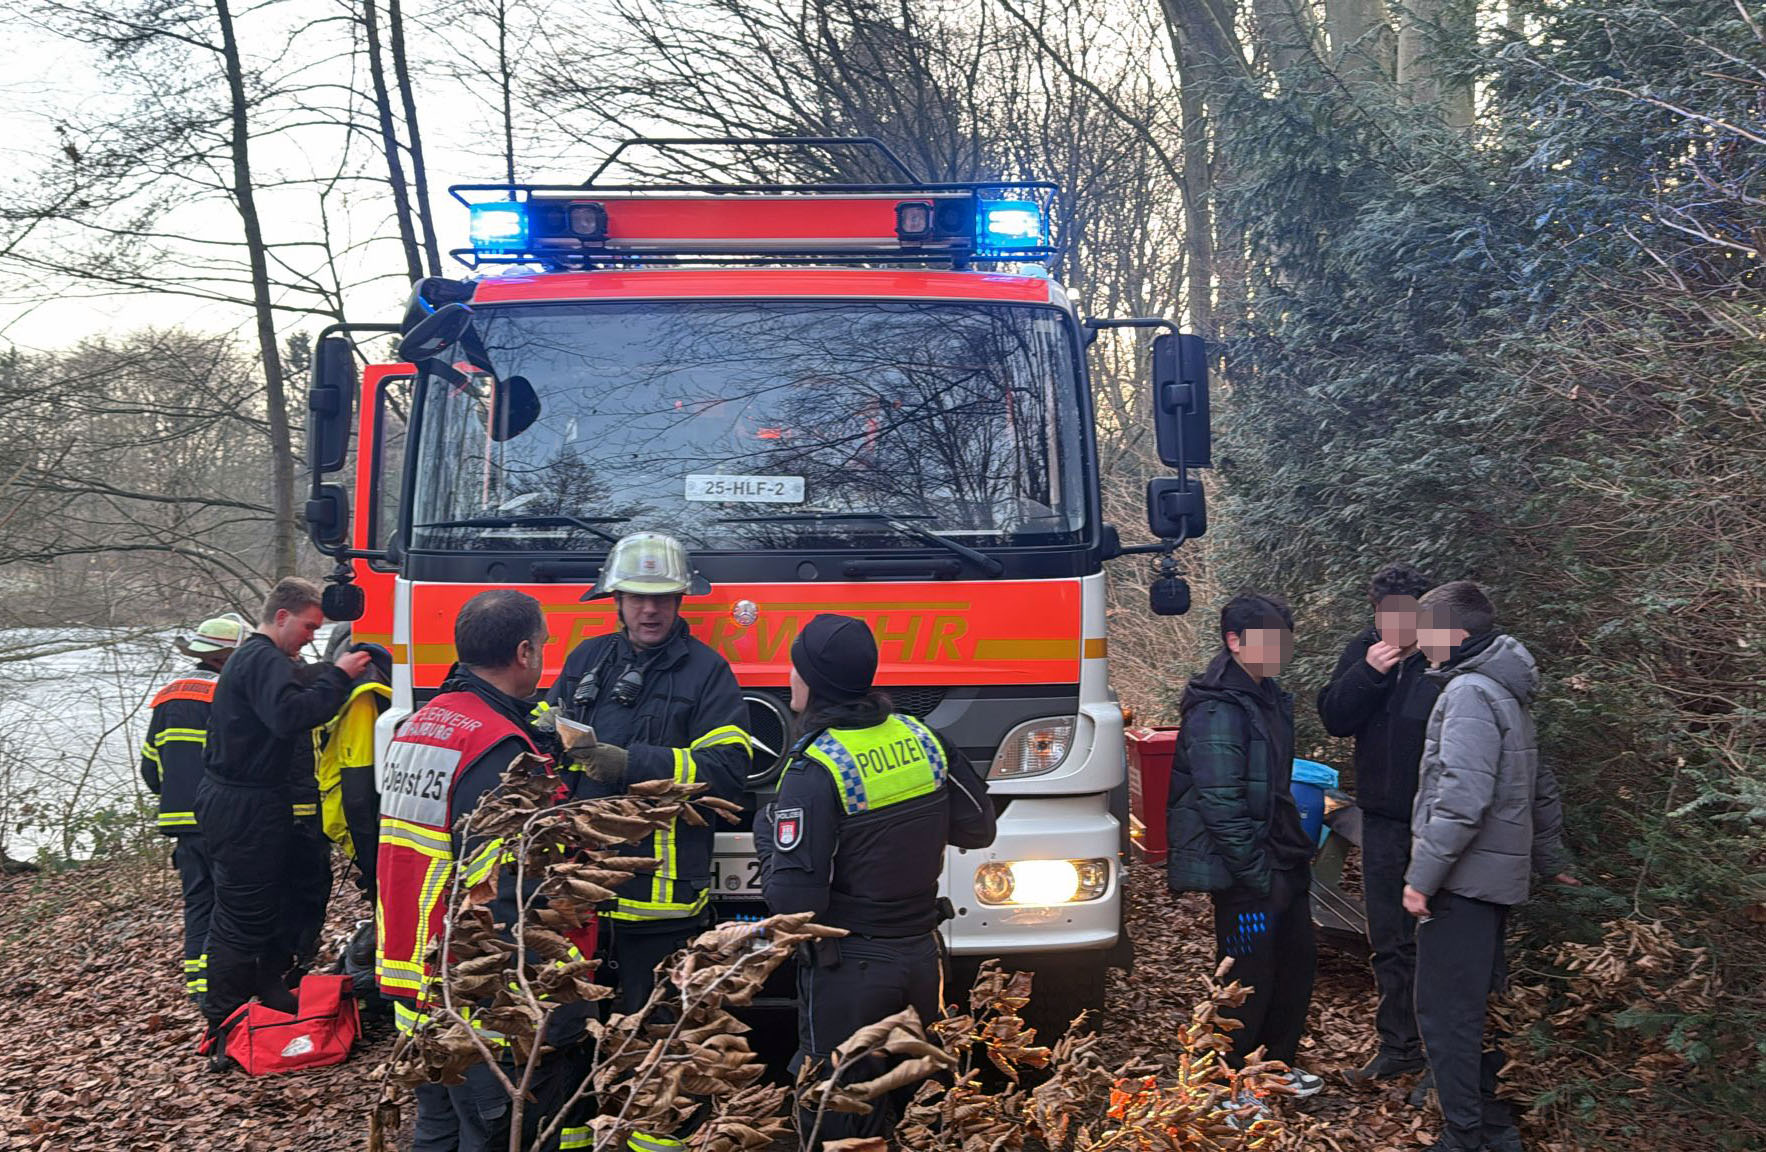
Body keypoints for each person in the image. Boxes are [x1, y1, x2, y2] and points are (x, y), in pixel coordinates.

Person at [755, 613, 996, 1147]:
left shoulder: (815, 768)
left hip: (851, 972)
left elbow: (795, 904)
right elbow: (979, 828)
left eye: (795, 668)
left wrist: (767, 835)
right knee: (921, 1113)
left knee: (841, 1116)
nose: (790, 679)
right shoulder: (923, 738)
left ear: (814, 681)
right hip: (923, 961)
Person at [377, 589, 589, 1151]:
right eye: (543, 645)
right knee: (489, 1131)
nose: (544, 655)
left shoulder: (420, 724)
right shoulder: (497, 746)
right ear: (524, 653)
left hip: (412, 966)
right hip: (473, 985)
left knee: (437, 1128)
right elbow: (508, 885)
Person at [1403, 581, 1578, 1152]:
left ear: (1454, 633)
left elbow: (1462, 798)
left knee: (1446, 1013)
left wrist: (1422, 878)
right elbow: (1539, 781)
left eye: (1425, 630)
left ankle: (1464, 1135)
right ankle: (1494, 1126)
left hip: (1463, 881)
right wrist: (1552, 858)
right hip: (1493, 882)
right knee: (1481, 1005)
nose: (1418, 642)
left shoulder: (1469, 693)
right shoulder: (1505, 690)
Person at [545, 533, 750, 1014]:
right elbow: (547, 741)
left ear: (680, 600)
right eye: (638, 597)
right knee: (568, 1020)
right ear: (616, 599)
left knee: (654, 1030)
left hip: (661, 900)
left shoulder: (707, 672)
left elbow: (728, 769)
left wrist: (630, 764)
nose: (650, 610)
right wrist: (544, 728)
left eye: (662, 598)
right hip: (580, 890)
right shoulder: (586, 659)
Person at [197, 578, 370, 1053]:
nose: (311, 637)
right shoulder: (262, 659)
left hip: (257, 801)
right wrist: (339, 677)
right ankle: (224, 1021)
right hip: (242, 806)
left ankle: (270, 985)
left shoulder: (260, 661)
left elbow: (295, 685)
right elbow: (290, 715)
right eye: (309, 627)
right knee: (242, 915)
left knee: (279, 898)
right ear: (281, 617)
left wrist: (330, 672)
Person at [1165, 593, 1322, 1098]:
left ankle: (1272, 1070)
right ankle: (1227, 1084)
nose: (1280, 650)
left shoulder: (1268, 695)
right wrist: (1255, 873)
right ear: (1234, 641)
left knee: (1295, 964)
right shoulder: (1217, 707)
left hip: (1281, 857)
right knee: (1246, 975)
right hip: (1247, 871)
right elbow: (1220, 800)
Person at [1317, 563, 1437, 1084]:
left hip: (1437, 824)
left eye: (1406, 614)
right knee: (1388, 939)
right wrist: (1367, 673)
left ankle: (1443, 1054)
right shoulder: (1364, 651)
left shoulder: (1442, 658)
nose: (1395, 625)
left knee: (1438, 940)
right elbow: (1334, 718)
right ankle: (1398, 1046)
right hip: (1382, 822)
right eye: (1386, 615)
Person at [140, 614, 245, 1006]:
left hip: (181, 824)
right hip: (220, 818)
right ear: (226, 657)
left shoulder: (167, 695)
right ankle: (225, 985)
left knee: (198, 902)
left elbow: (150, 766)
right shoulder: (227, 693)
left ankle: (199, 988)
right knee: (231, 903)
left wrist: (173, 796)